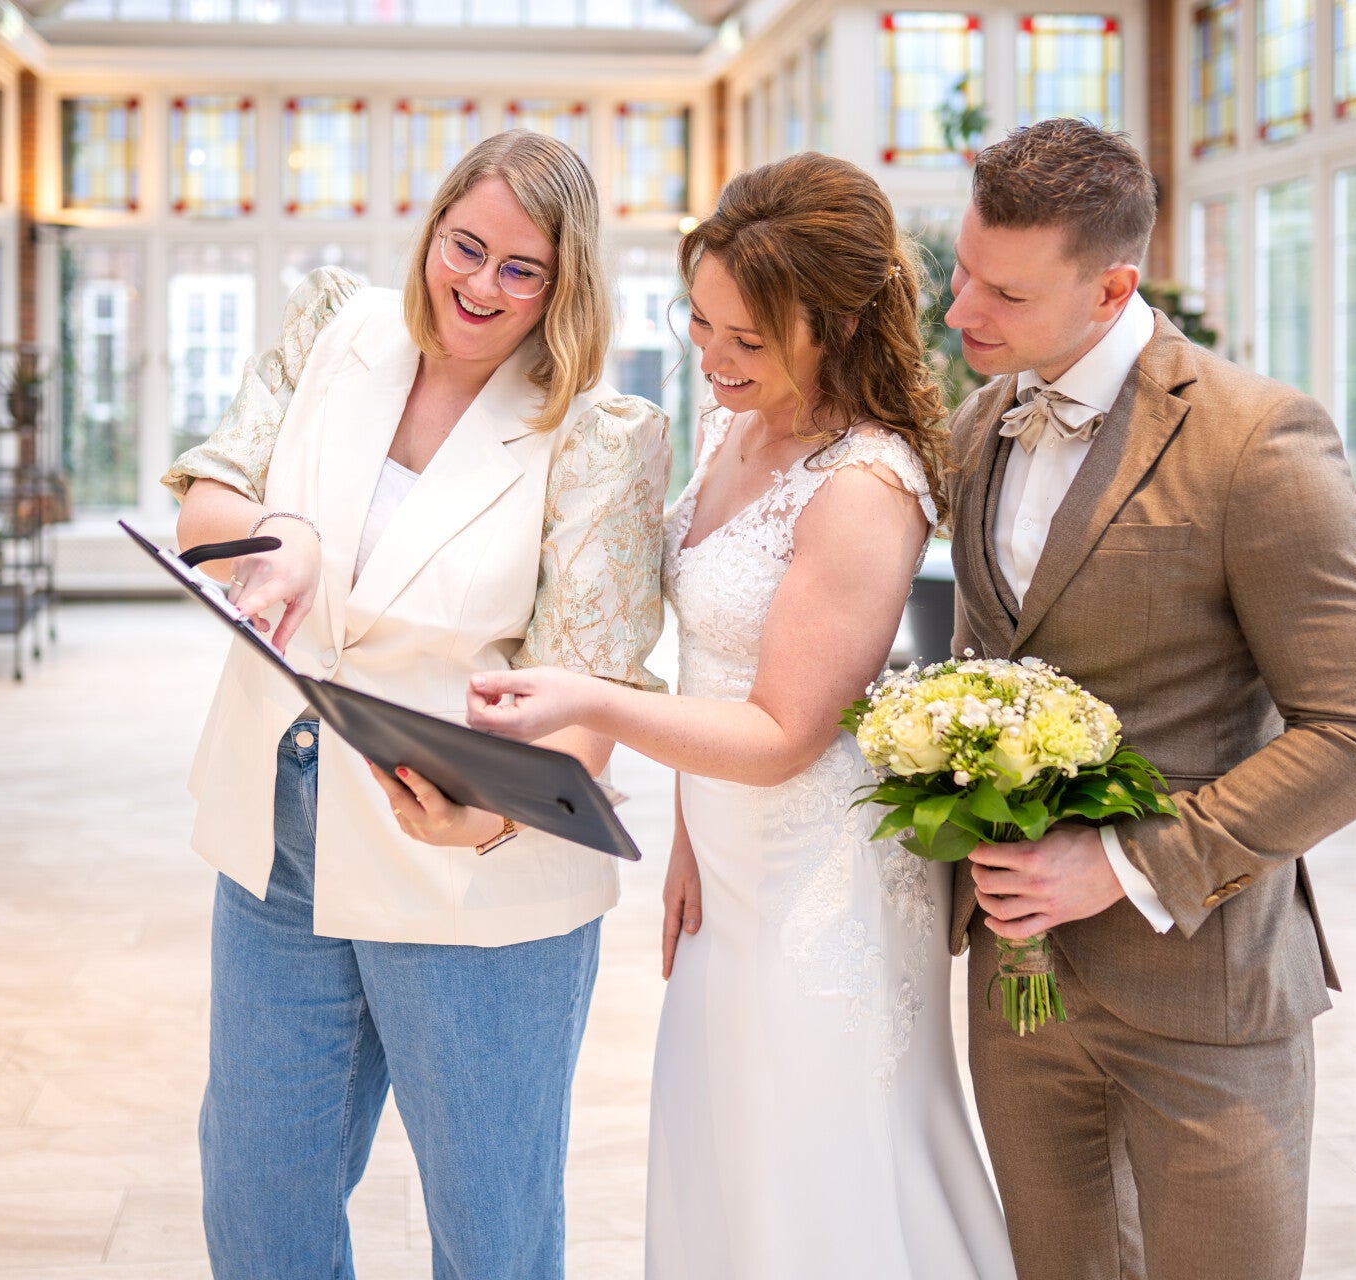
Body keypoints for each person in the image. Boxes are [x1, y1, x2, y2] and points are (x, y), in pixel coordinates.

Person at [462, 152, 1015, 1280]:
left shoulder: (866, 482)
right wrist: (687, 826)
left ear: (840, 325)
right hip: (728, 851)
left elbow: (782, 730)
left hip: (824, 879)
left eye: (745, 341)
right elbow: (721, 666)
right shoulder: (729, 426)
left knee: (817, 1149)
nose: (712, 358)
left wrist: (589, 696)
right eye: (699, 322)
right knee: (728, 1139)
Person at [160, 130, 669, 1279]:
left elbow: (594, 689)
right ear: (433, 228)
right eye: (465, 246)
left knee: (492, 1232)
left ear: (565, 283)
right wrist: (277, 533)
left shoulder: (598, 432)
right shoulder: (333, 327)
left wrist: (489, 816)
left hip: (468, 862)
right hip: (280, 834)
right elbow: (209, 494)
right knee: (257, 1203)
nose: (479, 285)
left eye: (520, 269)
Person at [939, 118, 1356, 1279]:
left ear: (1113, 287)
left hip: (1204, 988)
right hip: (1016, 985)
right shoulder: (978, 426)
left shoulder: (1260, 441)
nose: (960, 312)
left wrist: (1123, 863)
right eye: (960, 269)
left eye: (1002, 289)